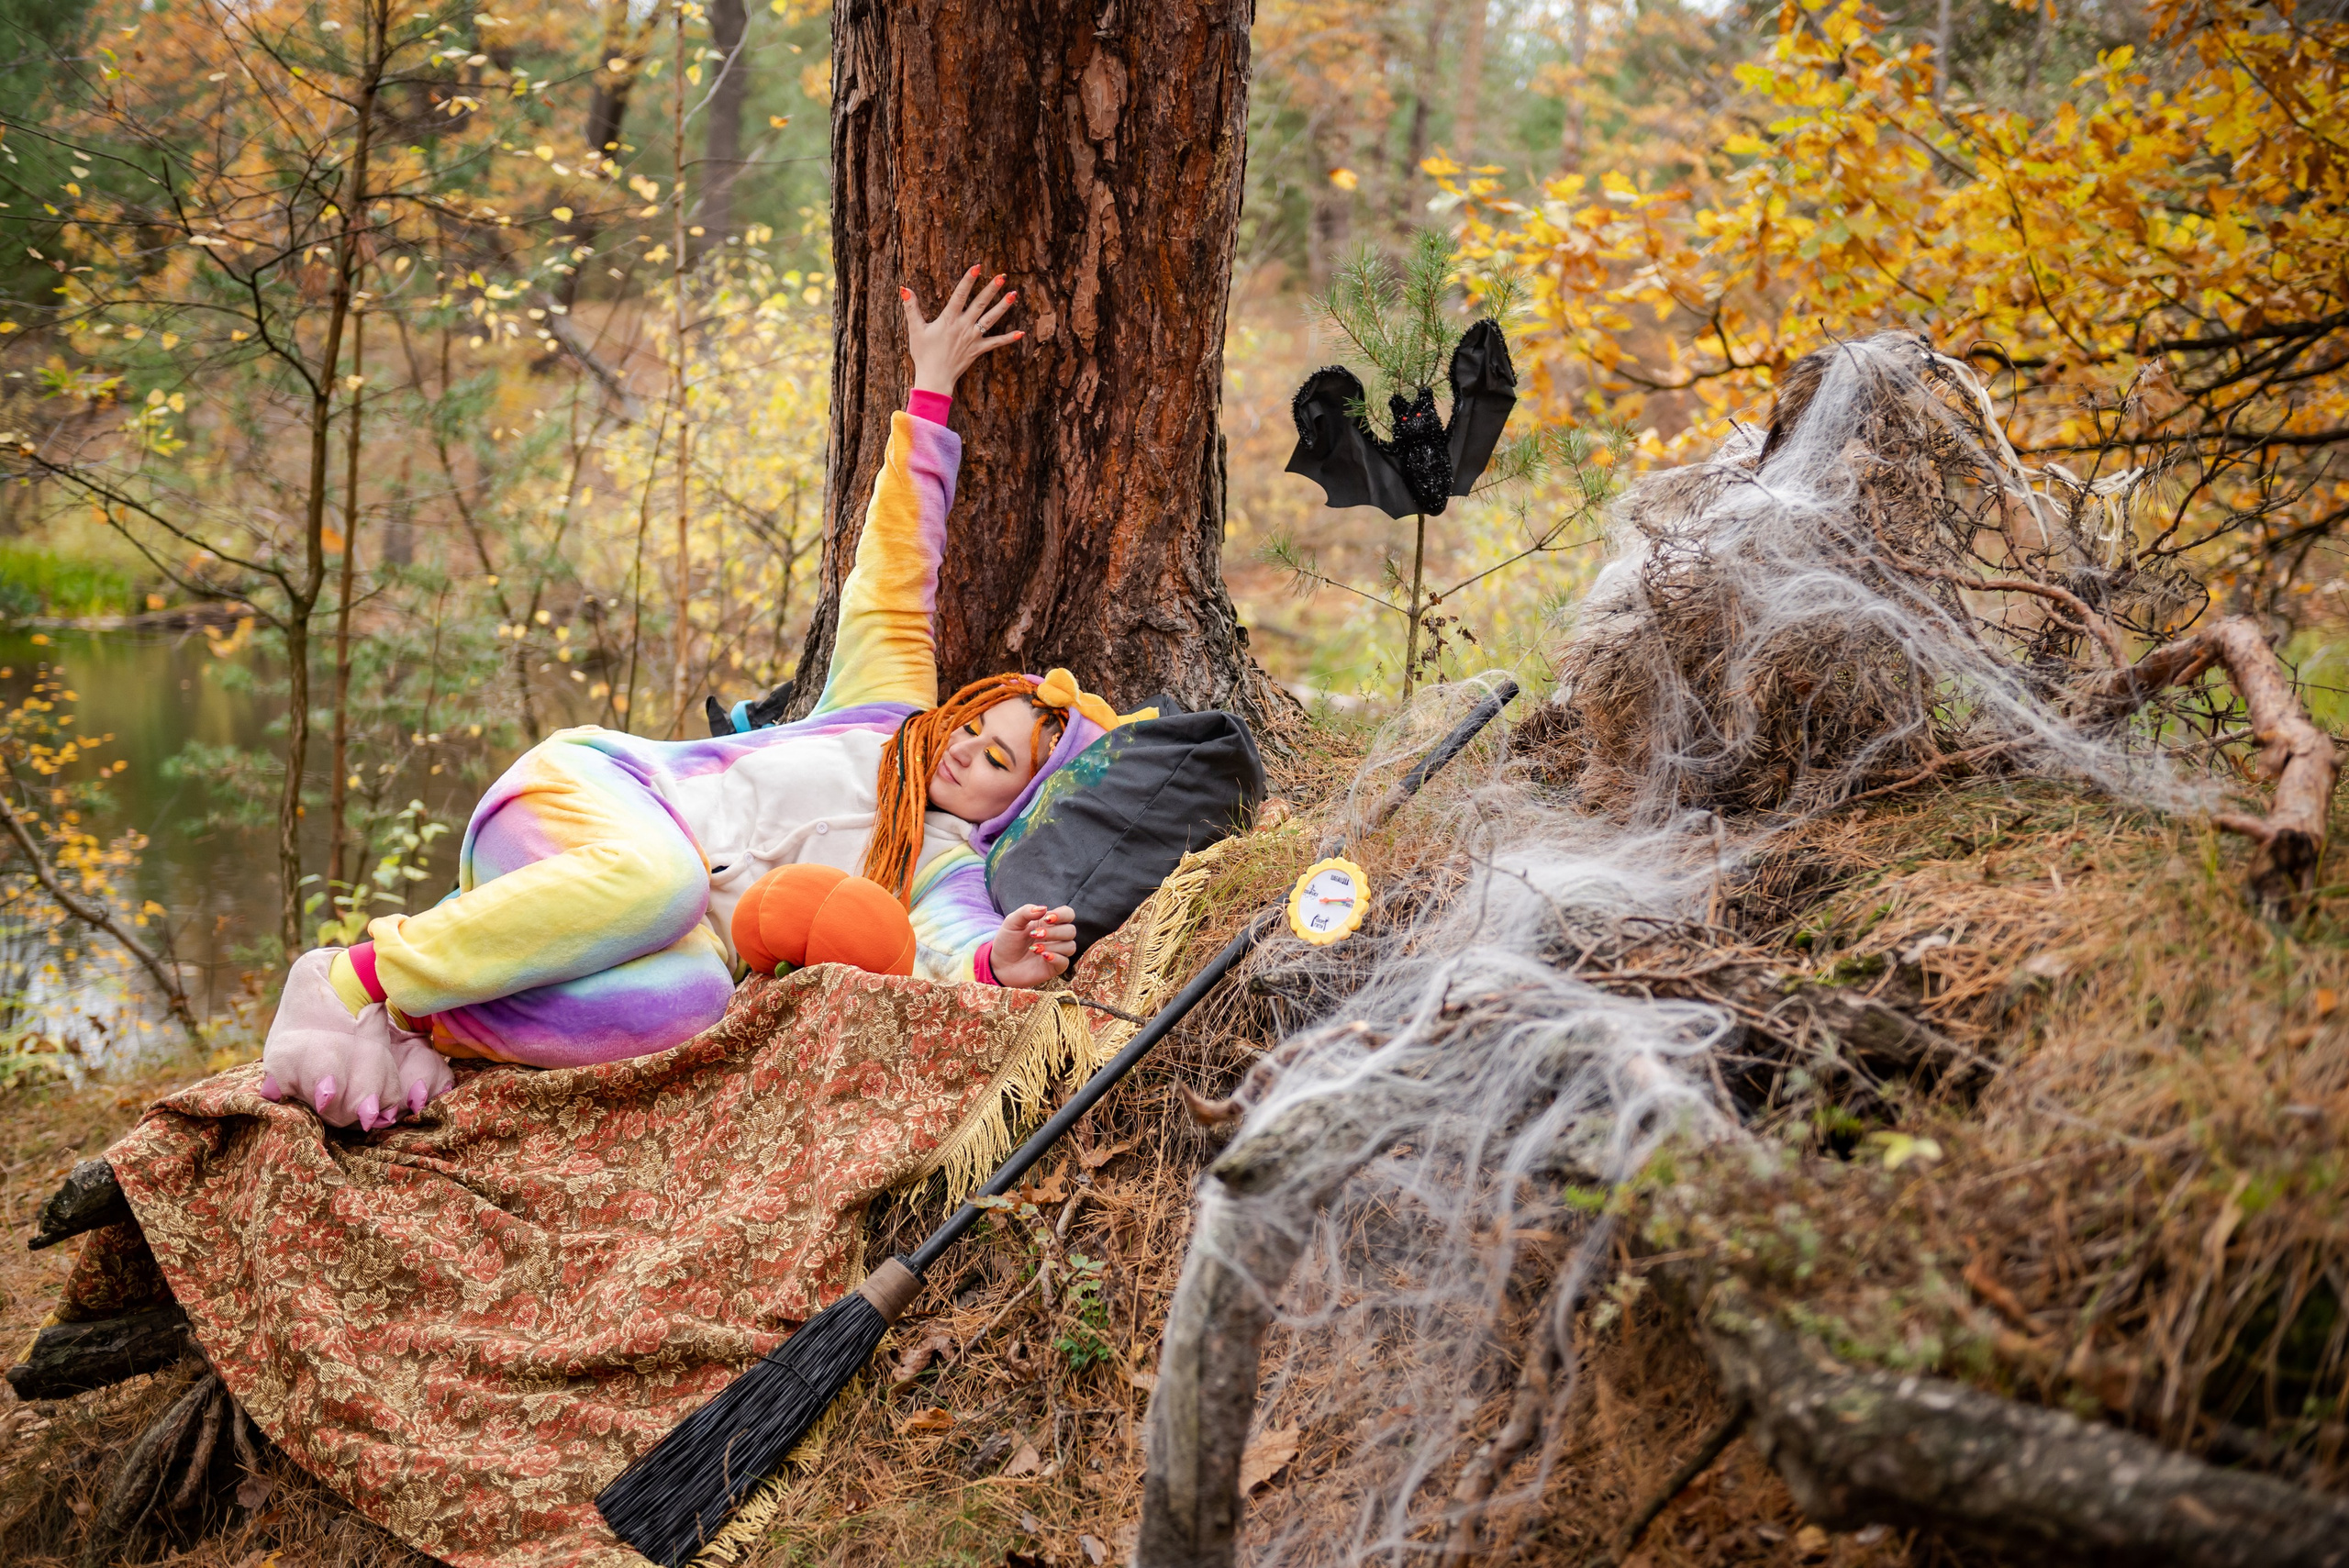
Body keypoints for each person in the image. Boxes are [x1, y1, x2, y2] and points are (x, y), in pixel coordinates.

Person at [262, 268, 1139, 1130]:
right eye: (974, 722)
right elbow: (900, 569)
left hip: (620, 933)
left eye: (996, 758)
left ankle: (427, 1019)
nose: (962, 746)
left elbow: (947, 947)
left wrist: (1000, 960)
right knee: (666, 877)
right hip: (599, 802)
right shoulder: (889, 711)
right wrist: (934, 387)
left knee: (692, 1003)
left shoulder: (942, 867)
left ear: (1018, 801)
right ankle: (349, 980)